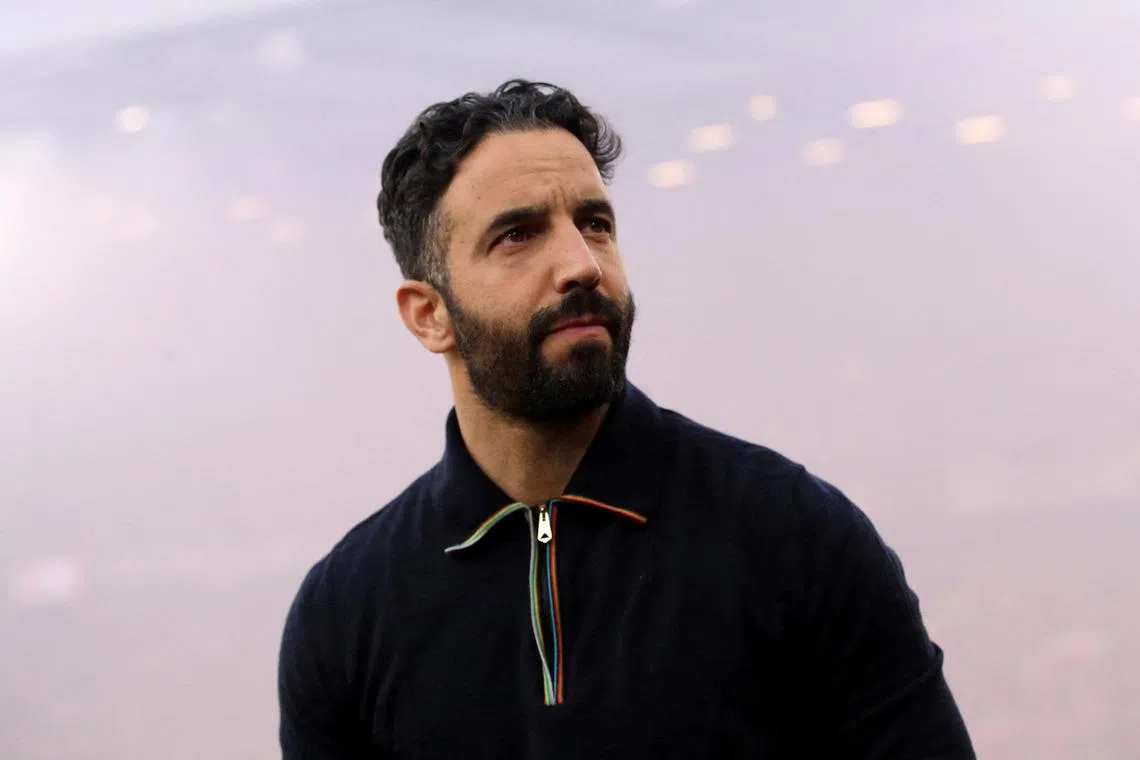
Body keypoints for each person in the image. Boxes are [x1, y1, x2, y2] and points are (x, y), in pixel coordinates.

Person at [277, 79, 975, 759]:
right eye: (517, 235)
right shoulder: (345, 613)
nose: (582, 265)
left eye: (595, 223)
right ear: (429, 315)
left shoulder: (795, 536)